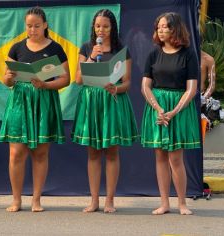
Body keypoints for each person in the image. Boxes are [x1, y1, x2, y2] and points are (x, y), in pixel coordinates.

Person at [0, 6, 70, 212]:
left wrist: (46, 84)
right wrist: (9, 78)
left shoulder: (55, 48)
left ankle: (36, 199)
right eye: (29, 26)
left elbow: (65, 78)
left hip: (44, 100)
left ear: (45, 25)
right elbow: (6, 80)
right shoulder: (17, 48)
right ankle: (16, 199)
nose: (32, 30)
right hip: (20, 101)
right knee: (16, 152)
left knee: (40, 153)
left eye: (37, 26)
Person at [71, 9, 138, 213]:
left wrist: (116, 88)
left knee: (111, 152)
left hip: (112, 100)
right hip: (91, 101)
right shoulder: (86, 48)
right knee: (92, 153)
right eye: (98, 26)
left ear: (113, 28)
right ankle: (94, 201)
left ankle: (110, 200)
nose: (101, 30)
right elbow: (78, 79)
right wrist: (91, 58)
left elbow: (127, 83)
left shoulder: (122, 51)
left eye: (106, 26)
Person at [141, 12, 201, 215]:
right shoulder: (153, 54)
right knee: (160, 156)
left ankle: (182, 203)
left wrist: (173, 111)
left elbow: (191, 89)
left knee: (176, 158)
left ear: (175, 28)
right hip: (158, 109)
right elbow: (145, 87)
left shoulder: (188, 54)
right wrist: (158, 109)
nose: (161, 29)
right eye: (159, 26)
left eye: (165, 26)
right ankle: (164, 203)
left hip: (179, 110)